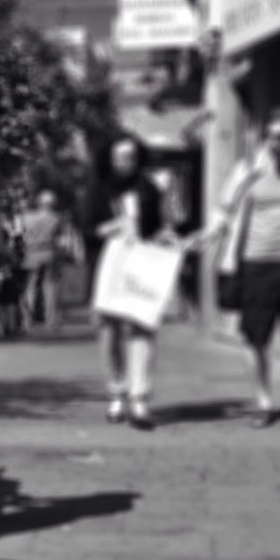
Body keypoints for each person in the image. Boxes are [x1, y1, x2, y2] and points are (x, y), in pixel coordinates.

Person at [190, 105, 280, 430]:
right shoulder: (249, 168)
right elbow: (224, 210)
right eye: (270, 137)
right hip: (255, 265)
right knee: (255, 338)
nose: (274, 143)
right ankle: (263, 401)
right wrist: (205, 236)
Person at [89, 133, 177, 430]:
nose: (128, 162)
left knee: (143, 327)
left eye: (133, 156)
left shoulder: (148, 188)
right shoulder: (98, 189)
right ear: (110, 160)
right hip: (107, 268)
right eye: (122, 157)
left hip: (142, 265)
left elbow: (160, 225)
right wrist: (112, 228)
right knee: (109, 330)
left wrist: (166, 237)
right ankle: (117, 392)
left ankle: (140, 399)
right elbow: (86, 227)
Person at [19, 189, 66, 330]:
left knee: (30, 287)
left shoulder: (27, 217)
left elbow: (22, 234)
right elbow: (61, 241)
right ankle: (51, 321)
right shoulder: (57, 218)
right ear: (53, 204)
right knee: (50, 287)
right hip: (49, 254)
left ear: (39, 203)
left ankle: (27, 320)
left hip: (31, 254)